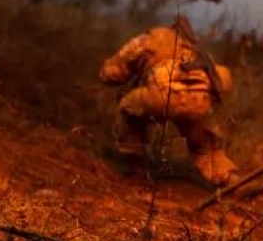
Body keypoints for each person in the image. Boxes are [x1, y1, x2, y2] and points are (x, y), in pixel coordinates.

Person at [99, 15, 238, 186]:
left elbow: (112, 73)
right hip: (199, 99)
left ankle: (136, 167)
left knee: (127, 107)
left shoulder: (148, 40)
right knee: (204, 144)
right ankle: (231, 181)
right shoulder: (195, 47)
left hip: (162, 96)